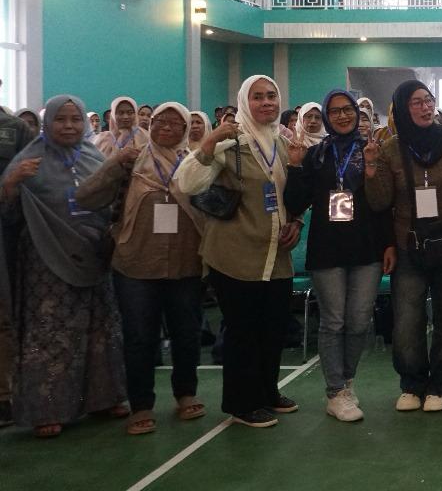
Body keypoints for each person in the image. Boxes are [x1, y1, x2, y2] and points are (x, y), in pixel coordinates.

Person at [175, 75, 302, 429]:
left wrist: (297, 221)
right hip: (234, 254)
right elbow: (187, 182)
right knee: (242, 332)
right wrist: (210, 141)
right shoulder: (229, 143)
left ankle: (267, 391)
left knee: (272, 329)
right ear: (245, 102)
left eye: (271, 96)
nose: (266, 102)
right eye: (258, 97)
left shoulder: (282, 142)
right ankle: (242, 404)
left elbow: (290, 194)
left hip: (275, 254)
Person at [76, 102, 207, 436]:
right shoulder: (131, 160)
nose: (166, 127)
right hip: (135, 264)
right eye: (160, 121)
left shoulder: (194, 162)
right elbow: (86, 196)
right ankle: (141, 405)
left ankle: (186, 393)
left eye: (175, 123)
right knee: (139, 338)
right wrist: (114, 163)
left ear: (186, 129)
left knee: (186, 334)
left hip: (185, 264)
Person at [2, 95, 127, 437]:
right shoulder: (28, 160)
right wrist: (11, 184)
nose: (69, 126)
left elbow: (112, 201)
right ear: (47, 123)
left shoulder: (94, 157)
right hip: (46, 260)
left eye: (75, 119)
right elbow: (8, 217)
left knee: (100, 329)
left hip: (93, 256)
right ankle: (48, 409)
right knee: (51, 332)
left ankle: (104, 399)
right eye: (61, 119)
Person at [283, 90, 395, 423]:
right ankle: (335, 392)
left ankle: (347, 382)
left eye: (348, 109)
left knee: (359, 321)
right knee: (333, 321)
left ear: (357, 114)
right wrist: (294, 166)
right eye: (335, 111)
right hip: (327, 249)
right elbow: (296, 202)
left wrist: (389, 244)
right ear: (326, 116)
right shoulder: (316, 155)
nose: (343, 116)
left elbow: (383, 203)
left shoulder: (372, 151)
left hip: (367, 248)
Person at [365, 80, 442, 413]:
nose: (426, 107)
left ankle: (440, 385)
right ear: (402, 108)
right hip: (407, 244)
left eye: (428, 100)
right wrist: (371, 169)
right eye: (416, 102)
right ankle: (411, 383)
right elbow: (381, 202)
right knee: (407, 320)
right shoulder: (390, 148)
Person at [0, 99, 36, 427]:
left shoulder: (16, 129)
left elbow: (32, 180)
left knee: (4, 315)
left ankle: (4, 395)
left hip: (6, 234)